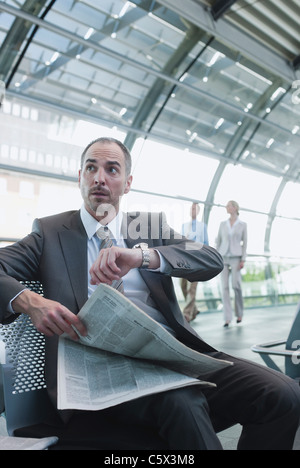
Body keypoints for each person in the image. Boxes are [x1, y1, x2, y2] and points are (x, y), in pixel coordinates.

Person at [0, 137, 299, 450]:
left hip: (172, 358)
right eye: (91, 168)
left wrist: (144, 256)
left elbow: (210, 258)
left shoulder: (148, 227)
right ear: (80, 177)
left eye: (112, 169)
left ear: (127, 184)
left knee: (283, 395)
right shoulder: (51, 232)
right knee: (182, 402)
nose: (99, 177)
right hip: (100, 375)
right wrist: (31, 302)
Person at [216, 201, 247, 327]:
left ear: (235, 208)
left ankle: (239, 313)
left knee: (236, 285)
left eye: (229, 205)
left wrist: (243, 259)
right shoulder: (222, 224)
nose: (226, 207)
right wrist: (217, 256)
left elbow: (245, 243)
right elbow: (218, 241)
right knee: (224, 288)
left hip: (236, 257)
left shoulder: (242, 225)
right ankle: (227, 318)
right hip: (223, 257)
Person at [180, 202, 208, 322]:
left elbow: (206, 243)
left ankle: (186, 314)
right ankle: (194, 309)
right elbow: (180, 242)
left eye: (195, 208)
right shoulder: (184, 225)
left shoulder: (202, 226)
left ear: (198, 211)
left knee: (192, 287)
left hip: (196, 260)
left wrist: (203, 259)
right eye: (191, 208)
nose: (192, 210)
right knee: (182, 285)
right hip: (185, 259)